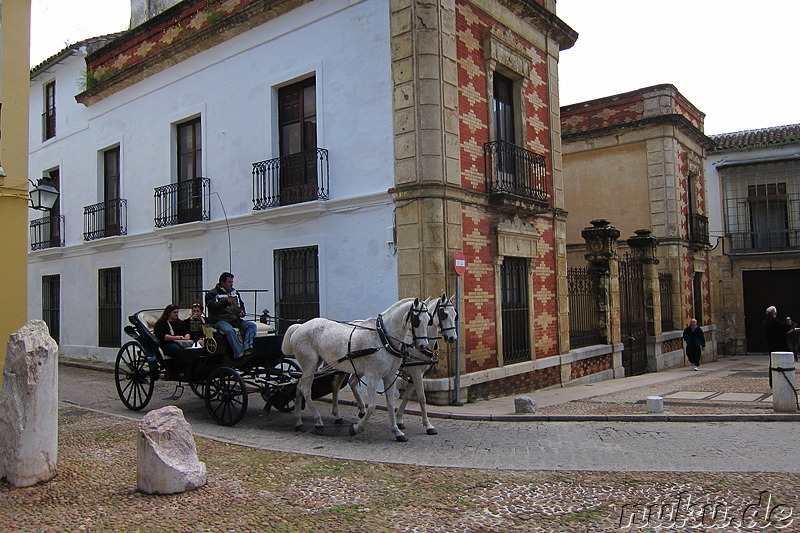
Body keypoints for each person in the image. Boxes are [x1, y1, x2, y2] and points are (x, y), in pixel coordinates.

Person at [205, 272, 258, 359]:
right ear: (222, 282)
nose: (231, 284)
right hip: (220, 320)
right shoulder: (212, 294)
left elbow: (241, 305)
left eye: (232, 282)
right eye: (229, 282)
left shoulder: (235, 292)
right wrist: (226, 301)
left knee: (251, 326)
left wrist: (241, 312)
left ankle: (248, 348)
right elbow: (212, 307)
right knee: (229, 331)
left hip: (234, 319)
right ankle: (239, 353)